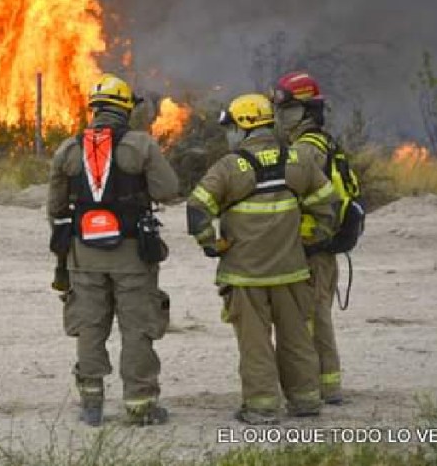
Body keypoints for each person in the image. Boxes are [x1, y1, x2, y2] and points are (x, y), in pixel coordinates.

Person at [185, 93, 336, 425]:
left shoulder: (229, 167)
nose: (229, 135)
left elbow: (197, 207)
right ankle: (305, 401)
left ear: (244, 126)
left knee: (255, 344)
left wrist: (211, 244)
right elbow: (328, 202)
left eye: (231, 128)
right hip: (292, 270)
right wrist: (313, 238)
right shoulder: (298, 159)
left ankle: (262, 407)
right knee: (297, 338)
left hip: (245, 275)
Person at [48, 74, 180, 427]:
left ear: (94, 110)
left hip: (83, 256)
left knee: (90, 327)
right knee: (137, 328)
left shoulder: (69, 148)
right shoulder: (141, 146)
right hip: (133, 255)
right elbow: (168, 190)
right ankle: (140, 405)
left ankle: (91, 403)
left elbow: (56, 209)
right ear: (126, 109)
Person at [271, 71, 362, 405]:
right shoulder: (321, 142)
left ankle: (325, 387)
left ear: (305, 111)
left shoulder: (307, 149)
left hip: (312, 247)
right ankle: (326, 385)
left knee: (311, 318)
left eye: (287, 109)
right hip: (318, 245)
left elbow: (287, 192)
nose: (281, 116)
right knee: (315, 314)